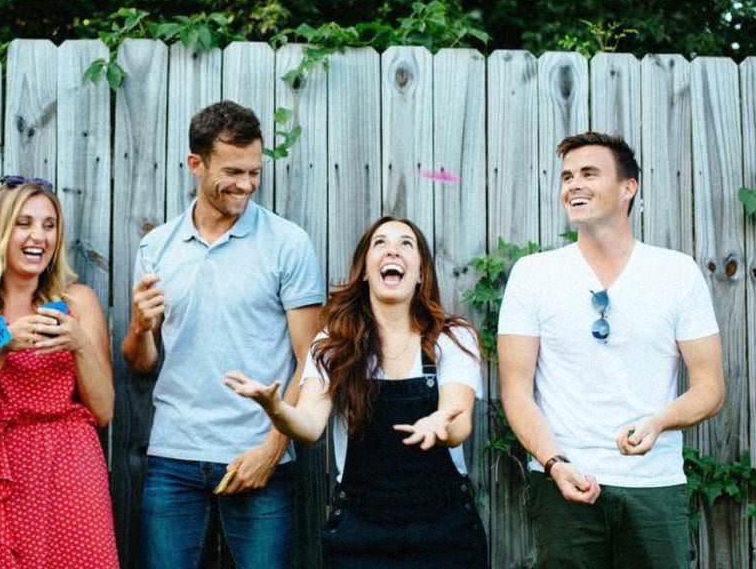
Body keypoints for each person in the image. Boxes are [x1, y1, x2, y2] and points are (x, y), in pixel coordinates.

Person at [498, 131, 724, 569]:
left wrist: (659, 422)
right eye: (566, 177)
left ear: (628, 187)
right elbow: (516, 391)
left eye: (588, 173)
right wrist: (555, 462)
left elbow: (710, 387)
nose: (573, 185)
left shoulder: (676, 273)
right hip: (564, 484)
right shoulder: (533, 274)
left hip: (654, 488)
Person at [121, 100, 324, 569]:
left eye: (254, 172)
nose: (247, 184)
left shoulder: (288, 243)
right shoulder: (157, 248)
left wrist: (272, 451)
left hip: (259, 454)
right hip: (174, 456)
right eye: (234, 171)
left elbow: (310, 358)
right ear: (196, 164)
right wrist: (139, 327)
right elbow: (142, 363)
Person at [225, 216, 488, 568]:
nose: (393, 249)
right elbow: (309, 426)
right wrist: (274, 407)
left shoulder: (451, 339)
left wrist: (440, 423)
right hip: (360, 536)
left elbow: (458, 424)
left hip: (445, 534)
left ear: (421, 272)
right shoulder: (334, 344)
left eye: (406, 243)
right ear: (365, 271)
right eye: (380, 242)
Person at [0, 176, 118, 569]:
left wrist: (78, 343)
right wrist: (1, 346)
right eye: (24, 223)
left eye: (49, 225)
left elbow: (103, 412)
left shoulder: (78, 302)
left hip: (70, 469)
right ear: (0, 230)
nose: (39, 236)